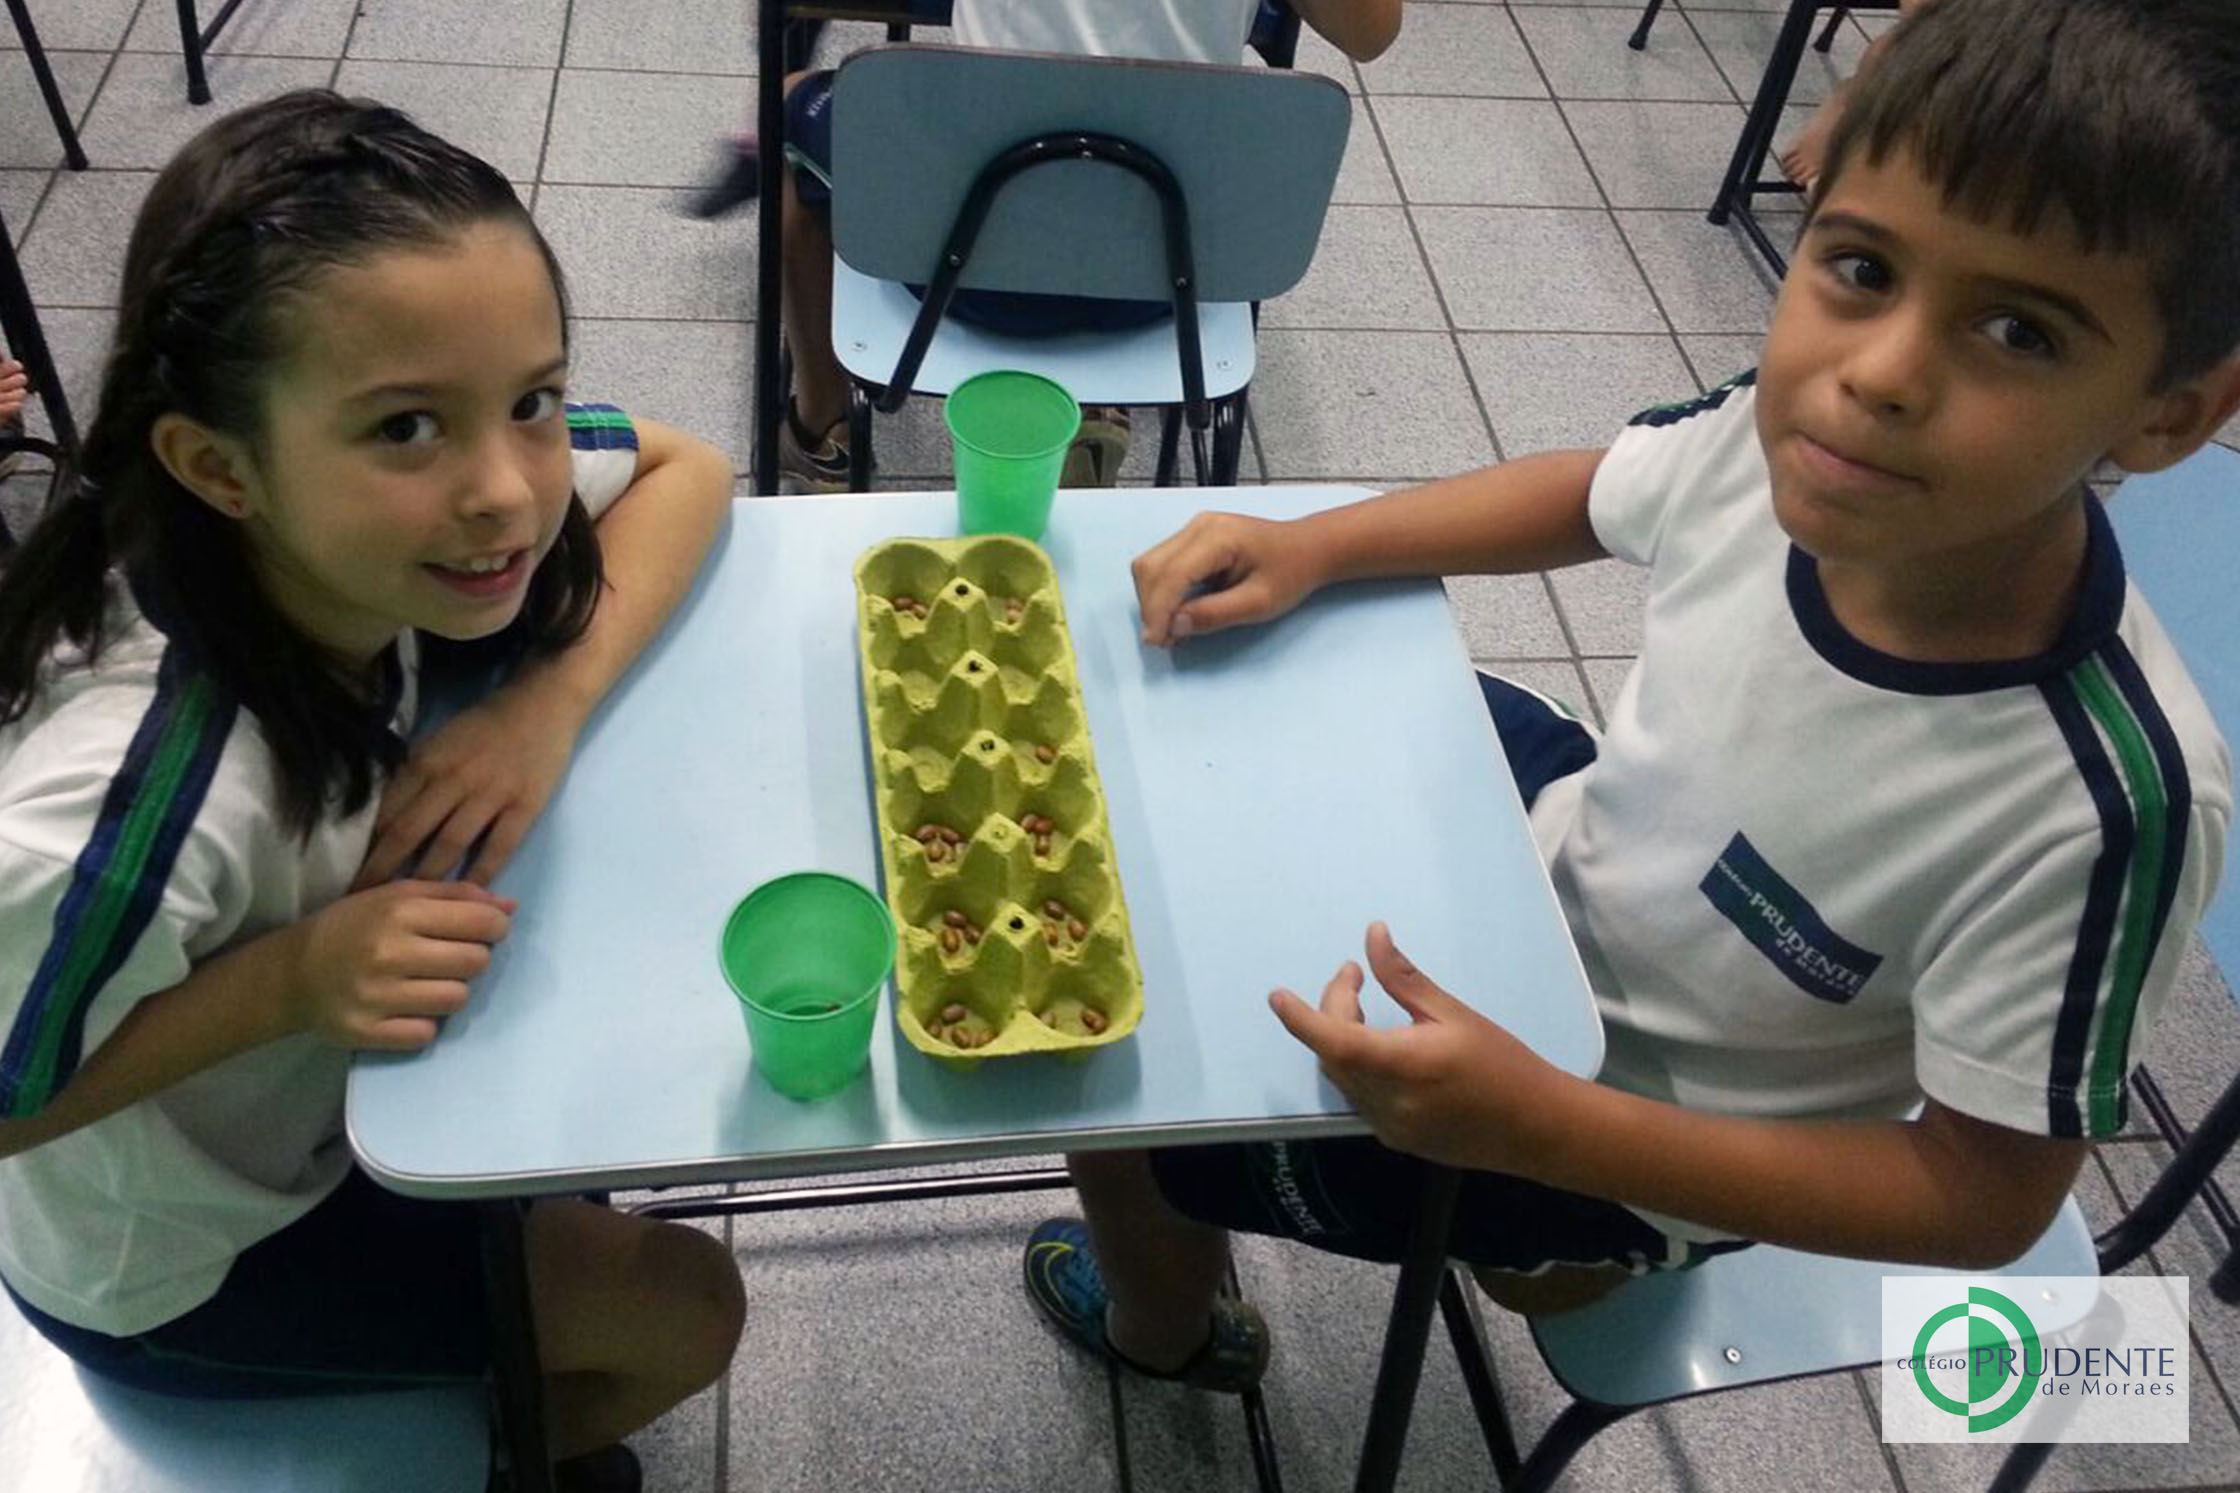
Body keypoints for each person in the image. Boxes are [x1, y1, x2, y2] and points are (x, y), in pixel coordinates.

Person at [1020, 0, 2240, 1393]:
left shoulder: (2103, 808)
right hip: (1590, 864)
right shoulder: (1789, 444)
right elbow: (1593, 491)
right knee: (1269, 692)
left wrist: (1543, 1130)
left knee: (1128, 1098)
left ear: (2171, 412)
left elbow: (1979, 1197)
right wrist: (1320, 543)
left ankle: (1168, 1331)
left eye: (2019, 331)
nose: (1880, 374)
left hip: (1630, 1137)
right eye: (1857, 266)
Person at [0, 92, 742, 1491]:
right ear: (219, 466)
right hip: (184, 1256)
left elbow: (684, 467)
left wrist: (547, 704)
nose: (511, 495)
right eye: (407, 428)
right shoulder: (146, 795)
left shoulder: (349, 528)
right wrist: (286, 985)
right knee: (688, 1310)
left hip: (336, 1103)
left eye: (527, 399)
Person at [773, 0, 1404, 491]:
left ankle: (823, 431)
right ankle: (1094, 403)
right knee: (1133, 115)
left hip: (956, 275)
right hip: (1174, 282)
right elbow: (1372, 35)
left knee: (796, 99)